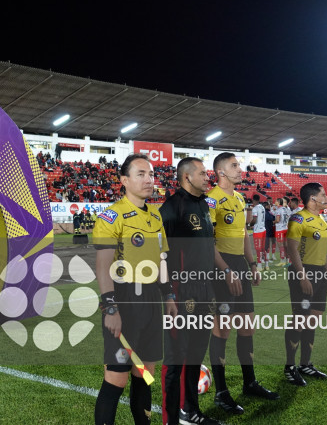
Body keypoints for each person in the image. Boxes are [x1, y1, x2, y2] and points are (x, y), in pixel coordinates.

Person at [92, 154, 175, 425]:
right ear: (124, 180)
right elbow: (103, 267)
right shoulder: (111, 216)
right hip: (124, 297)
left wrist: (169, 295)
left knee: (146, 373)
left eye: (150, 174)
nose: (148, 179)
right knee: (116, 378)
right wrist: (110, 307)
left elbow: (162, 260)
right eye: (140, 174)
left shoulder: (155, 215)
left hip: (152, 299)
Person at [207, 152, 277, 415]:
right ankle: (221, 392)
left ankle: (249, 383)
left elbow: (244, 233)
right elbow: (208, 242)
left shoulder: (238, 198)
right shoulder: (212, 200)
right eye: (234, 165)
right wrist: (225, 270)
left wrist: (253, 263)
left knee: (247, 327)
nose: (240, 169)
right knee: (222, 329)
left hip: (240, 265)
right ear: (221, 172)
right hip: (220, 266)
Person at [159, 158, 222, 425]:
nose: (208, 177)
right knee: (176, 357)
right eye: (203, 173)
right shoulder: (172, 208)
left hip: (205, 290)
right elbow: (159, 256)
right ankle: (169, 419)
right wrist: (168, 295)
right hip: (181, 291)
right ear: (187, 177)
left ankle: (190, 411)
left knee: (196, 351)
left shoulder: (204, 205)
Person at [284, 182, 327, 386]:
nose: (326, 197)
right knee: (300, 320)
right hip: (304, 272)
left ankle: (306, 363)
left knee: (313, 319)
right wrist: (302, 276)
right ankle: (289, 367)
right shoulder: (298, 219)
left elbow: (323, 250)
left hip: (320, 273)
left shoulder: (321, 219)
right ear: (313, 199)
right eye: (323, 194)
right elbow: (291, 249)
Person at [249, 194, 267, 270]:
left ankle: (259, 265)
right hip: (263, 229)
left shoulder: (255, 209)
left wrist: (250, 224)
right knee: (262, 248)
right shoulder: (262, 207)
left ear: (254, 200)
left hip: (258, 231)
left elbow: (255, 219)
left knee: (258, 249)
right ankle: (266, 264)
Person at [274, 197, 291, 265]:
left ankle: (282, 261)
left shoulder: (279, 210)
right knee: (286, 245)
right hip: (285, 228)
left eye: (276, 201)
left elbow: (277, 220)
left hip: (280, 229)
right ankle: (288, 260)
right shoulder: (286, 209)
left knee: (281, 246)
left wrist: (273, 222)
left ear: (278, 202)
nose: (275, 202)